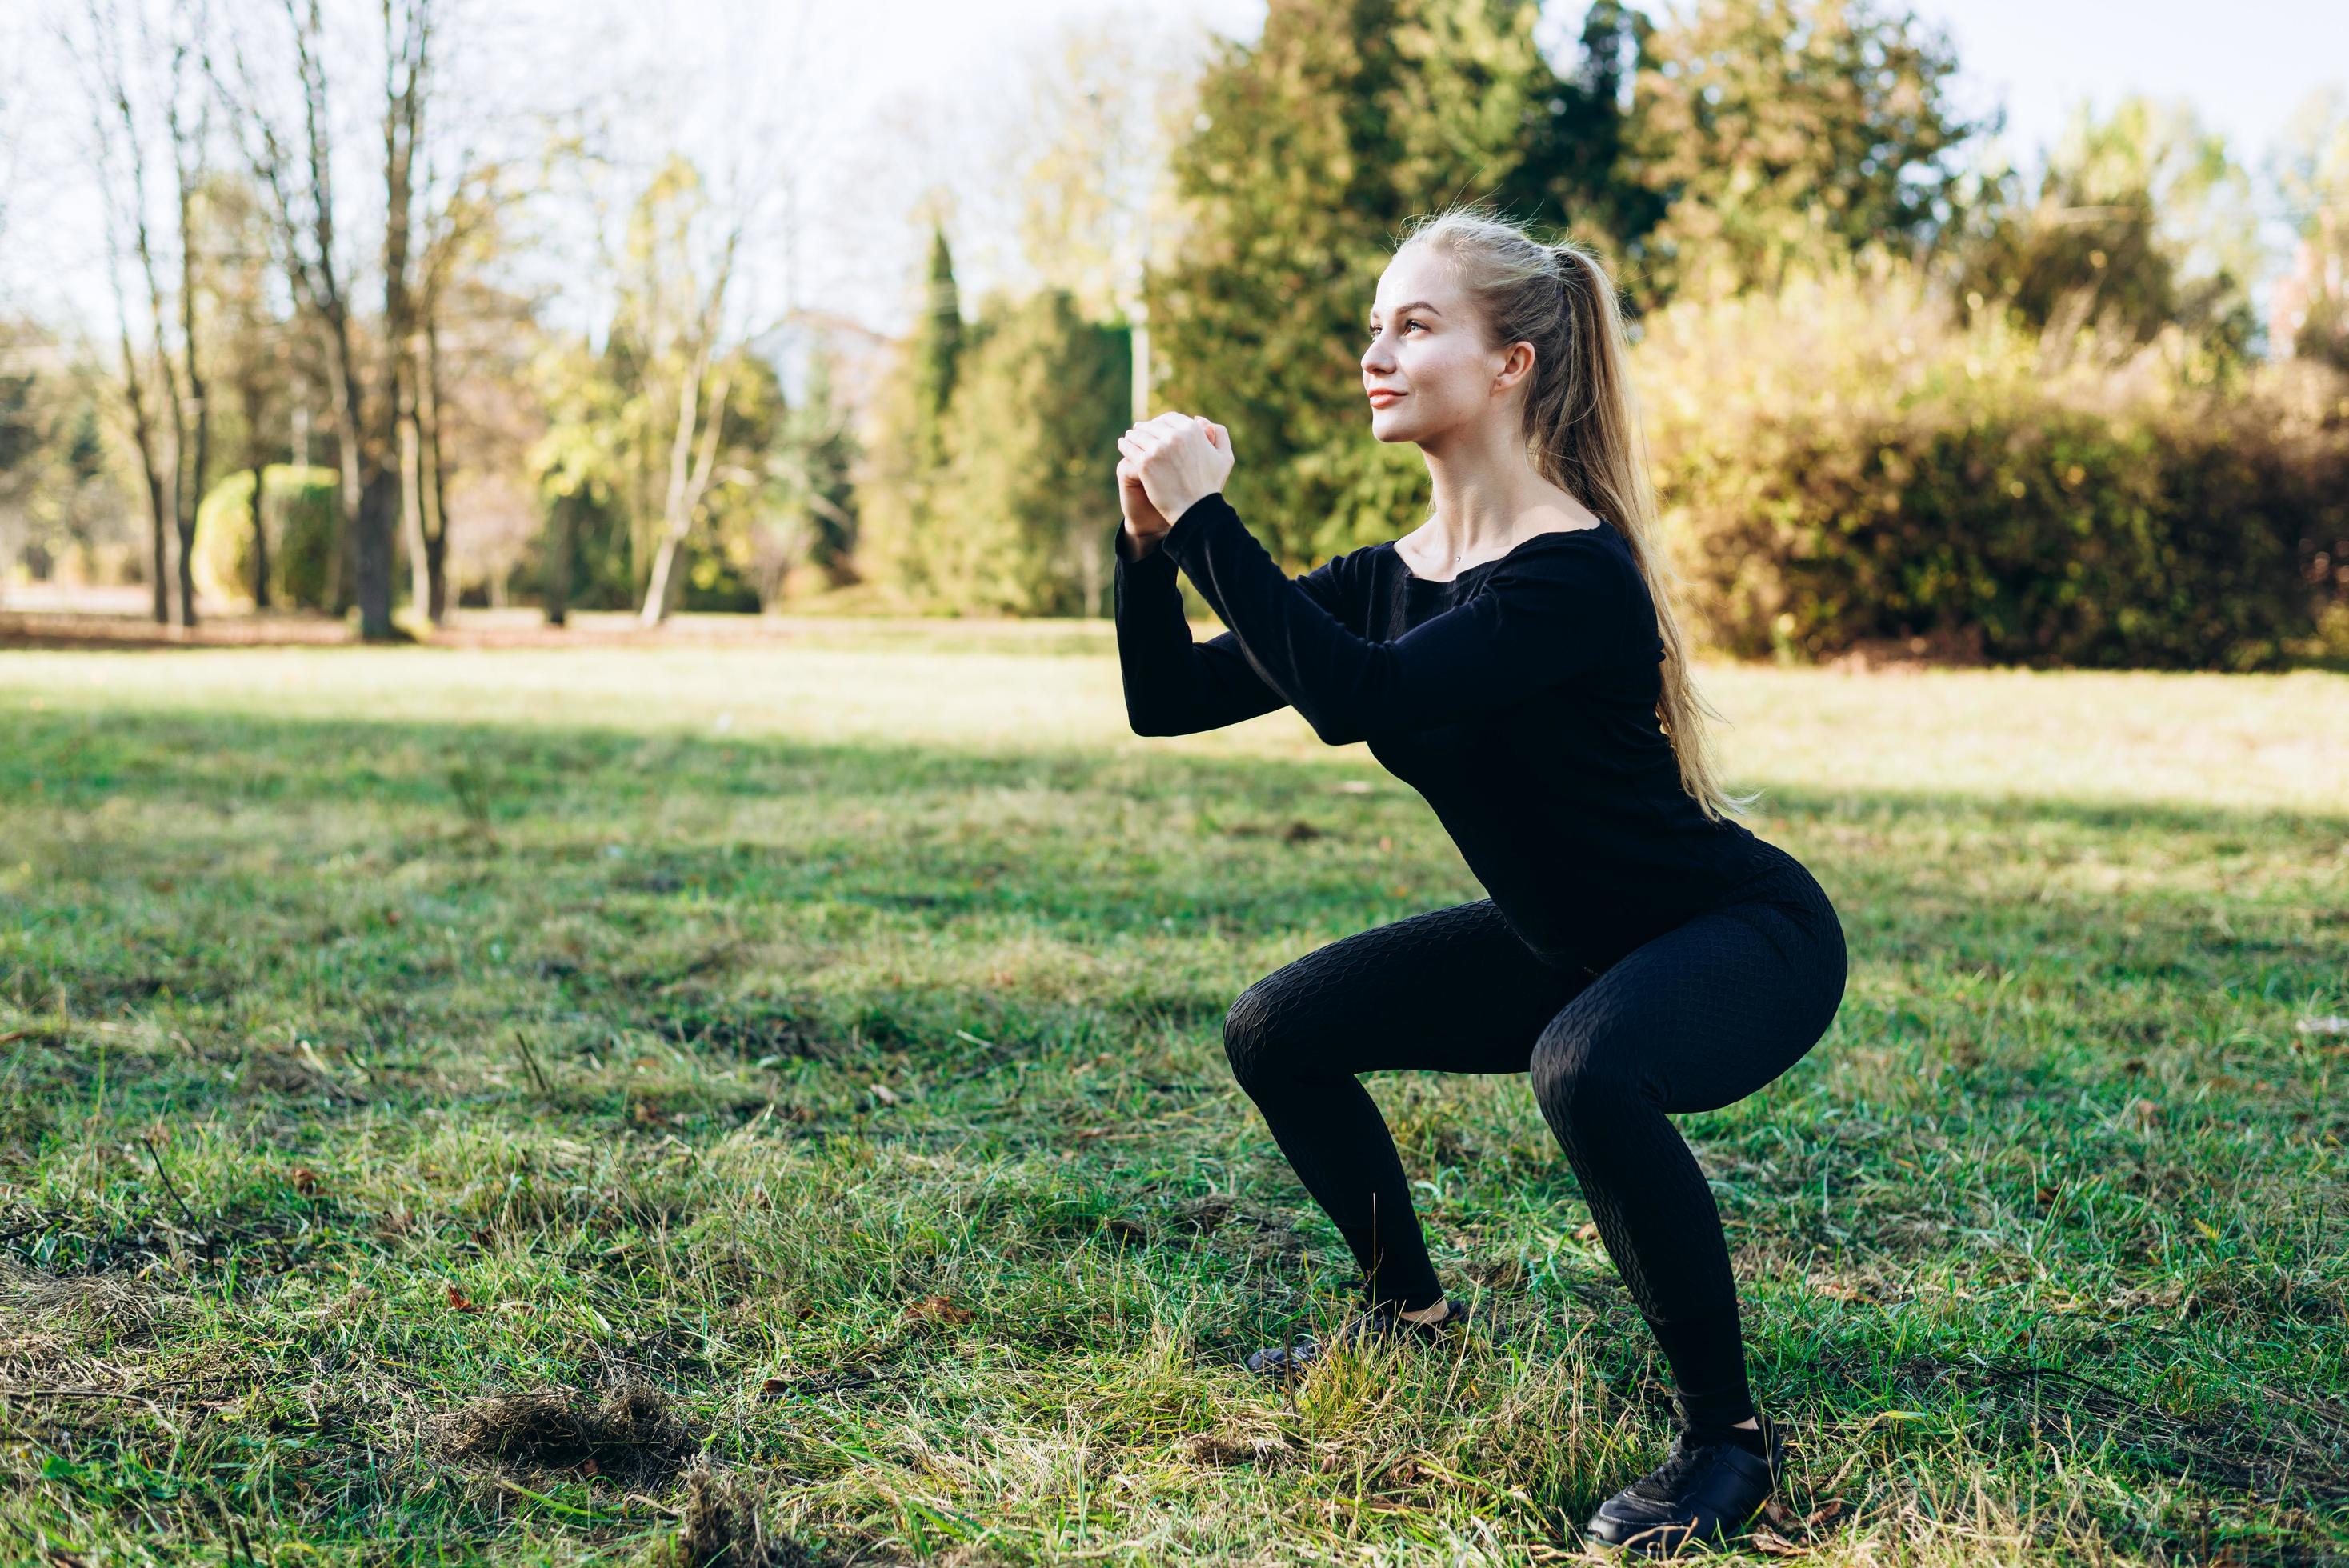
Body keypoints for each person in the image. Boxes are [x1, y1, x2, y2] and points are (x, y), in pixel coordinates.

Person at [1107, 206, 1848, 1556]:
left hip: (1737, 935)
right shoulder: (1388, 579)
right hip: (1562, 941)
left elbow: (1353, 699)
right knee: (1282, 1029)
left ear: (1511, 364)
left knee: (1586, 1068)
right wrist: (1151, 548)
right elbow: (1165, 699)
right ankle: (1410, 1319)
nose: (1376, 355)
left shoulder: (1573, 574)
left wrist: (1216, 515)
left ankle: (1727, 1444)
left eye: (1416, 324)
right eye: (1374, 328)